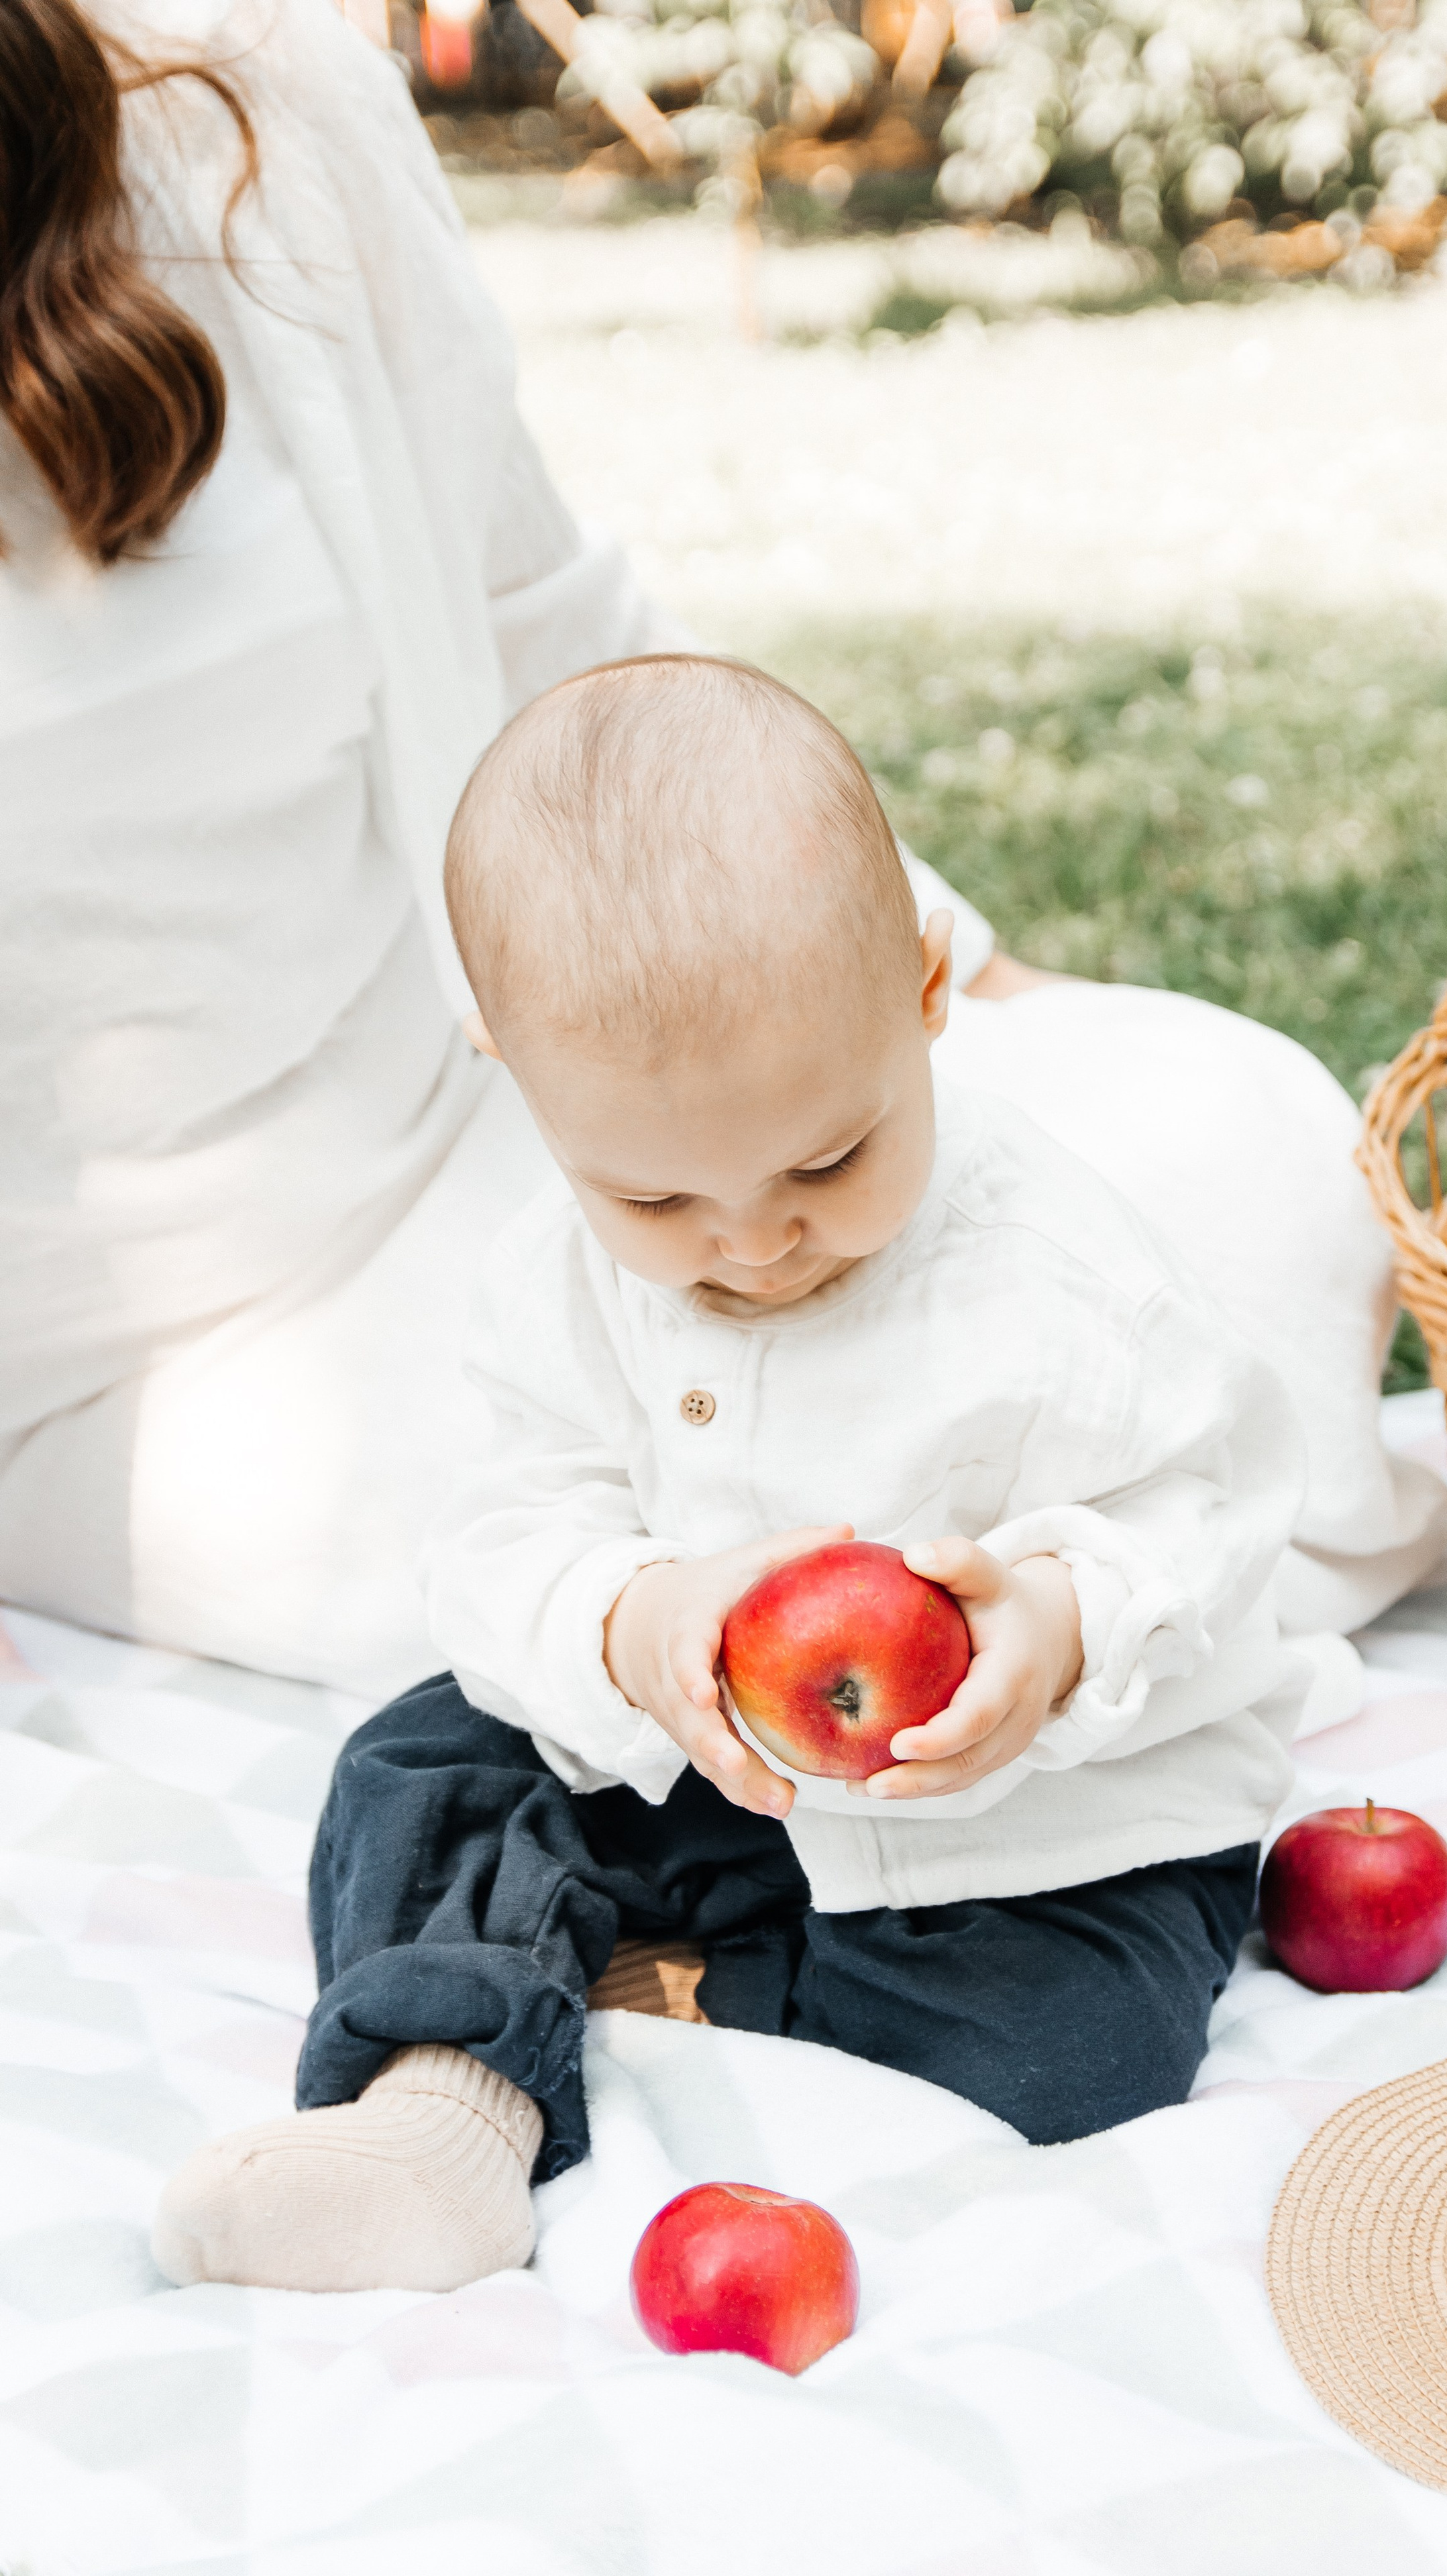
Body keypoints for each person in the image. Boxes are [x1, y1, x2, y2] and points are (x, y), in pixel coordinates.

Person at [0, 0, 1447, 1703]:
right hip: (146, 1365)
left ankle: (1057, 1598)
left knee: (1242, 1139)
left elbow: (561, 636)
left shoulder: (253, 122)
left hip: (544, 1114)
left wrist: (943, 964)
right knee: (604, 1573)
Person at [152, 657, 1309, 2292]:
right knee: (408, 1770)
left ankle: (653, 1992)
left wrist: (1053, 1630)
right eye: (655, 1204)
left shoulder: (1065, 1279)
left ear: (920, 988)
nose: (754, 1242)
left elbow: (1214, 1513)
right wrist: (629, 1621)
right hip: (696, 1773)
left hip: (1017, 1828)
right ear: (516, 1076)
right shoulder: (554, 1280)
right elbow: (505, 1534)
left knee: (1084, 2045)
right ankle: (443, 2113)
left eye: (827, 1159)